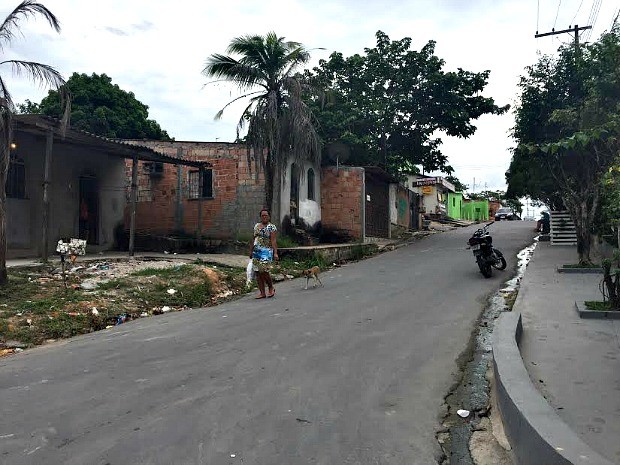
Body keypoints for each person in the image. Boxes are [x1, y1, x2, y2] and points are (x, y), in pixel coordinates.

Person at [249, 209, 279, 299]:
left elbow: (273, 241)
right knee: (257, 272)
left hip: (266, 251)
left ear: (269, 216)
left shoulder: (272, 227)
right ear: (260, 217)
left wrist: (275, 253)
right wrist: (250, 251)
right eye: (262, 215)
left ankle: (271, 287)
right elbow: (253, 239)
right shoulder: (257, 226)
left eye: (266, 215)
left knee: (264, 270)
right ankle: (262, 293)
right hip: (256, 251)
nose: (264, 217)